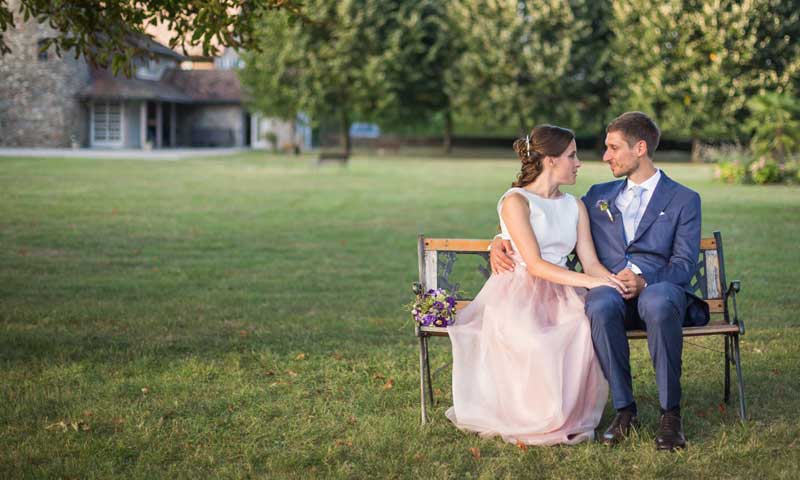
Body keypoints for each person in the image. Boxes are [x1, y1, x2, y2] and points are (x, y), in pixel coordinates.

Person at [490, 112, 710, 451]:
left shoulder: (684, 199)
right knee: (601, 305)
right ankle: (625, 410)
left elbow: (682, 263)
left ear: (640, 148)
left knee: (658, 300)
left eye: (613, 148)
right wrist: (498, 240)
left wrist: (643, 280)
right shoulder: (596, 196)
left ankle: (671, 415)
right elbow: (538, 217)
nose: (605, 156)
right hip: (607, 290)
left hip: (659, 291)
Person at [446, 125, 627, 446]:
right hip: (518, 291)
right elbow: (534, 264)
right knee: (534, 339)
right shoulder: (516, 201)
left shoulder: (575, 206)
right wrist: (590, 281)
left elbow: (591, 261)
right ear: (551, 160)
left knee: (581, 329)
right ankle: (533, 415)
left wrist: (609, 281)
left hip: (563, 291)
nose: (579, 162)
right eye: (572, 155)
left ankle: (567, 415)